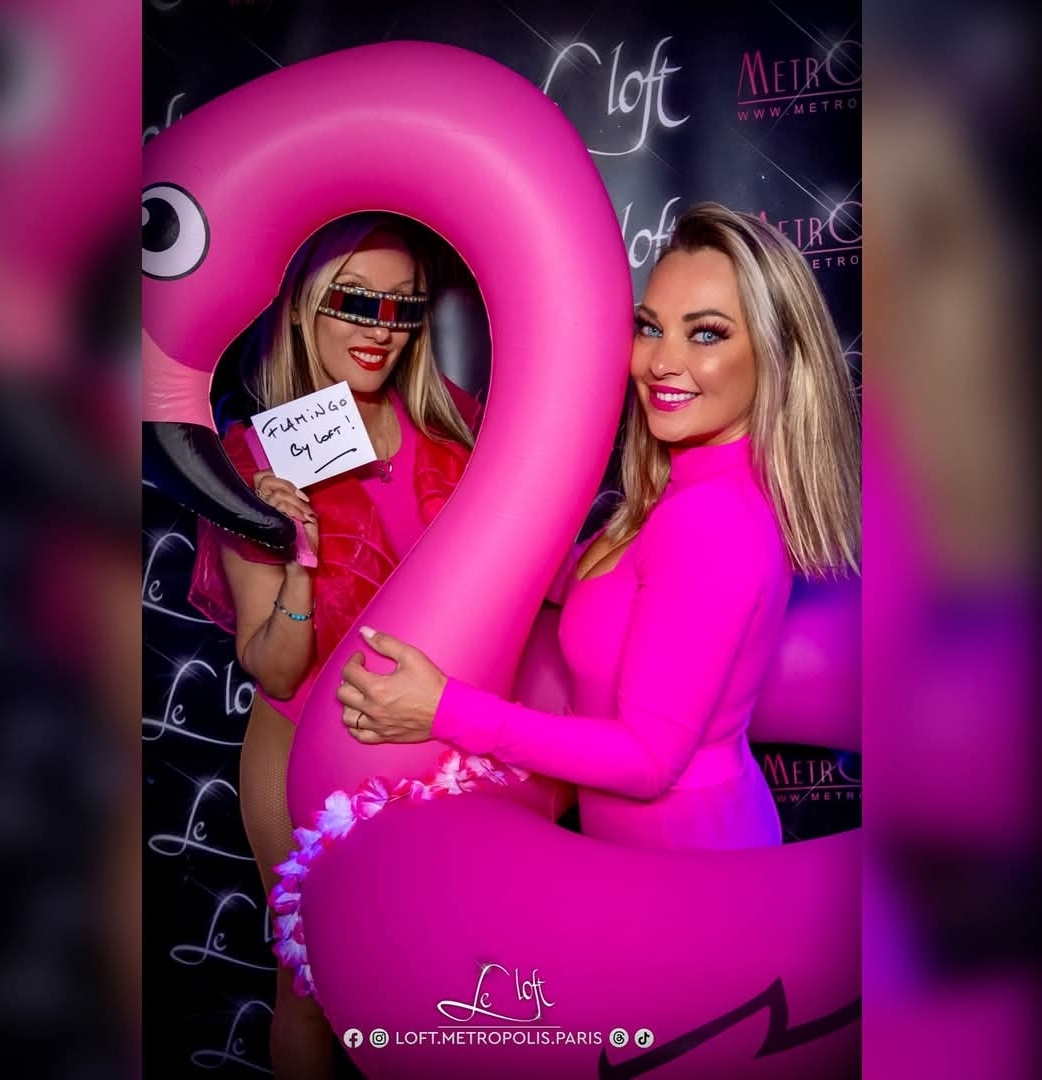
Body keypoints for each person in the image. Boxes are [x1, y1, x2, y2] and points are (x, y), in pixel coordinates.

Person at [336, 201, 861, 852]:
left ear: (774, 355)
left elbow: (647, 760)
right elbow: (578, 583)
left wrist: (445, 710)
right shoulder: (678, 491)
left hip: (691, 861)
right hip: (637, 852)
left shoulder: (712, 520)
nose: (660, 362)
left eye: (706, 334)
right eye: (650, 327)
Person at [187, 212, 479, 1079]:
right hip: (300, 748)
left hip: (432, 749)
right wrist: (297, 558)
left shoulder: (461, 432)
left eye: (403, 305)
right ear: (303, 305)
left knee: (443, 970)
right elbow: (275, 666)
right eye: (355, 299)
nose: (379, 328)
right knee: (312, 986)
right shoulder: (255, 460)